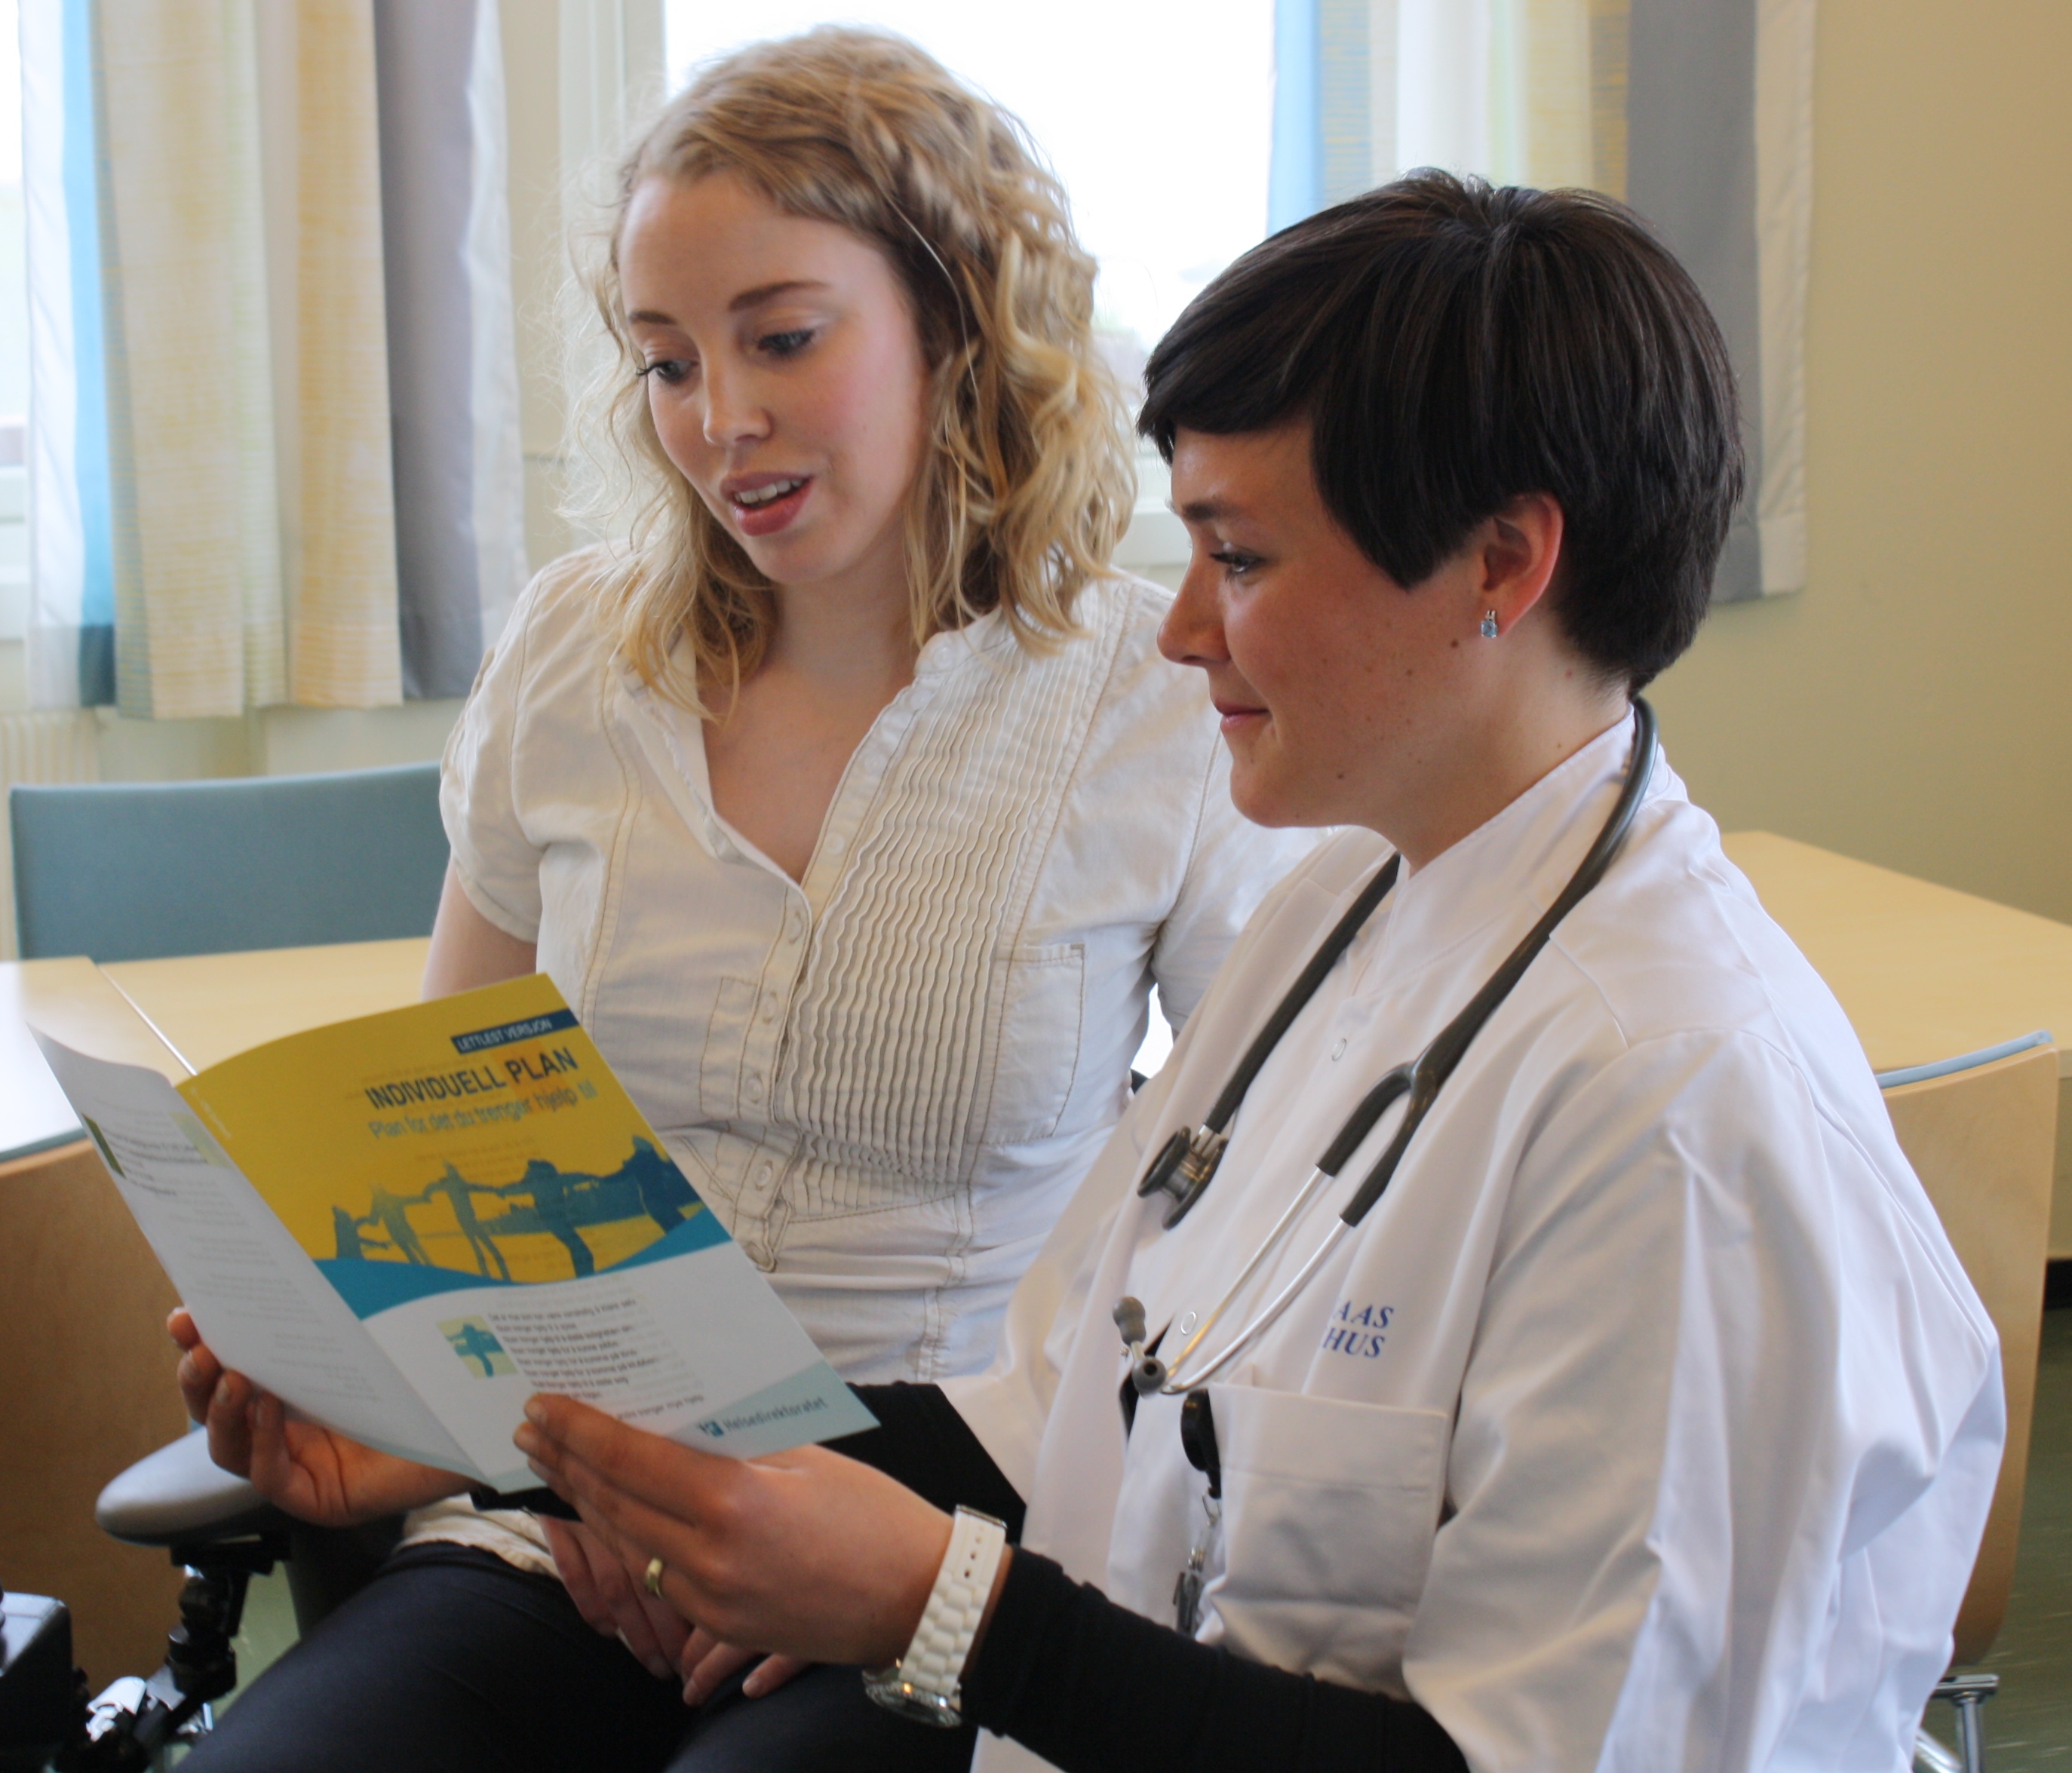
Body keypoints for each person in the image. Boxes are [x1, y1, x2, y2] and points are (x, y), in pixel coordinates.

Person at [511, 173, 2006, 1771]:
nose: (1179, 633)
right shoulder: (1352, 899)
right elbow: (1063, 1404)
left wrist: (945, 1612)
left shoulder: (1679, 1114)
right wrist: (524, 1440)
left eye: (1241, 559)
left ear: (1502, 565)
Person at [169, 27, 1314, 1773]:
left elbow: (1245, 1236)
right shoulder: (573, 651)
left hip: (920, 1551)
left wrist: (859, 1541)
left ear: (956, 316)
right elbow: (433, 1161)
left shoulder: (1152, 698)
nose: (720, 420)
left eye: (783, 337)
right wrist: (420, 1416)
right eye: (666, 361)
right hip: (558, 1521)